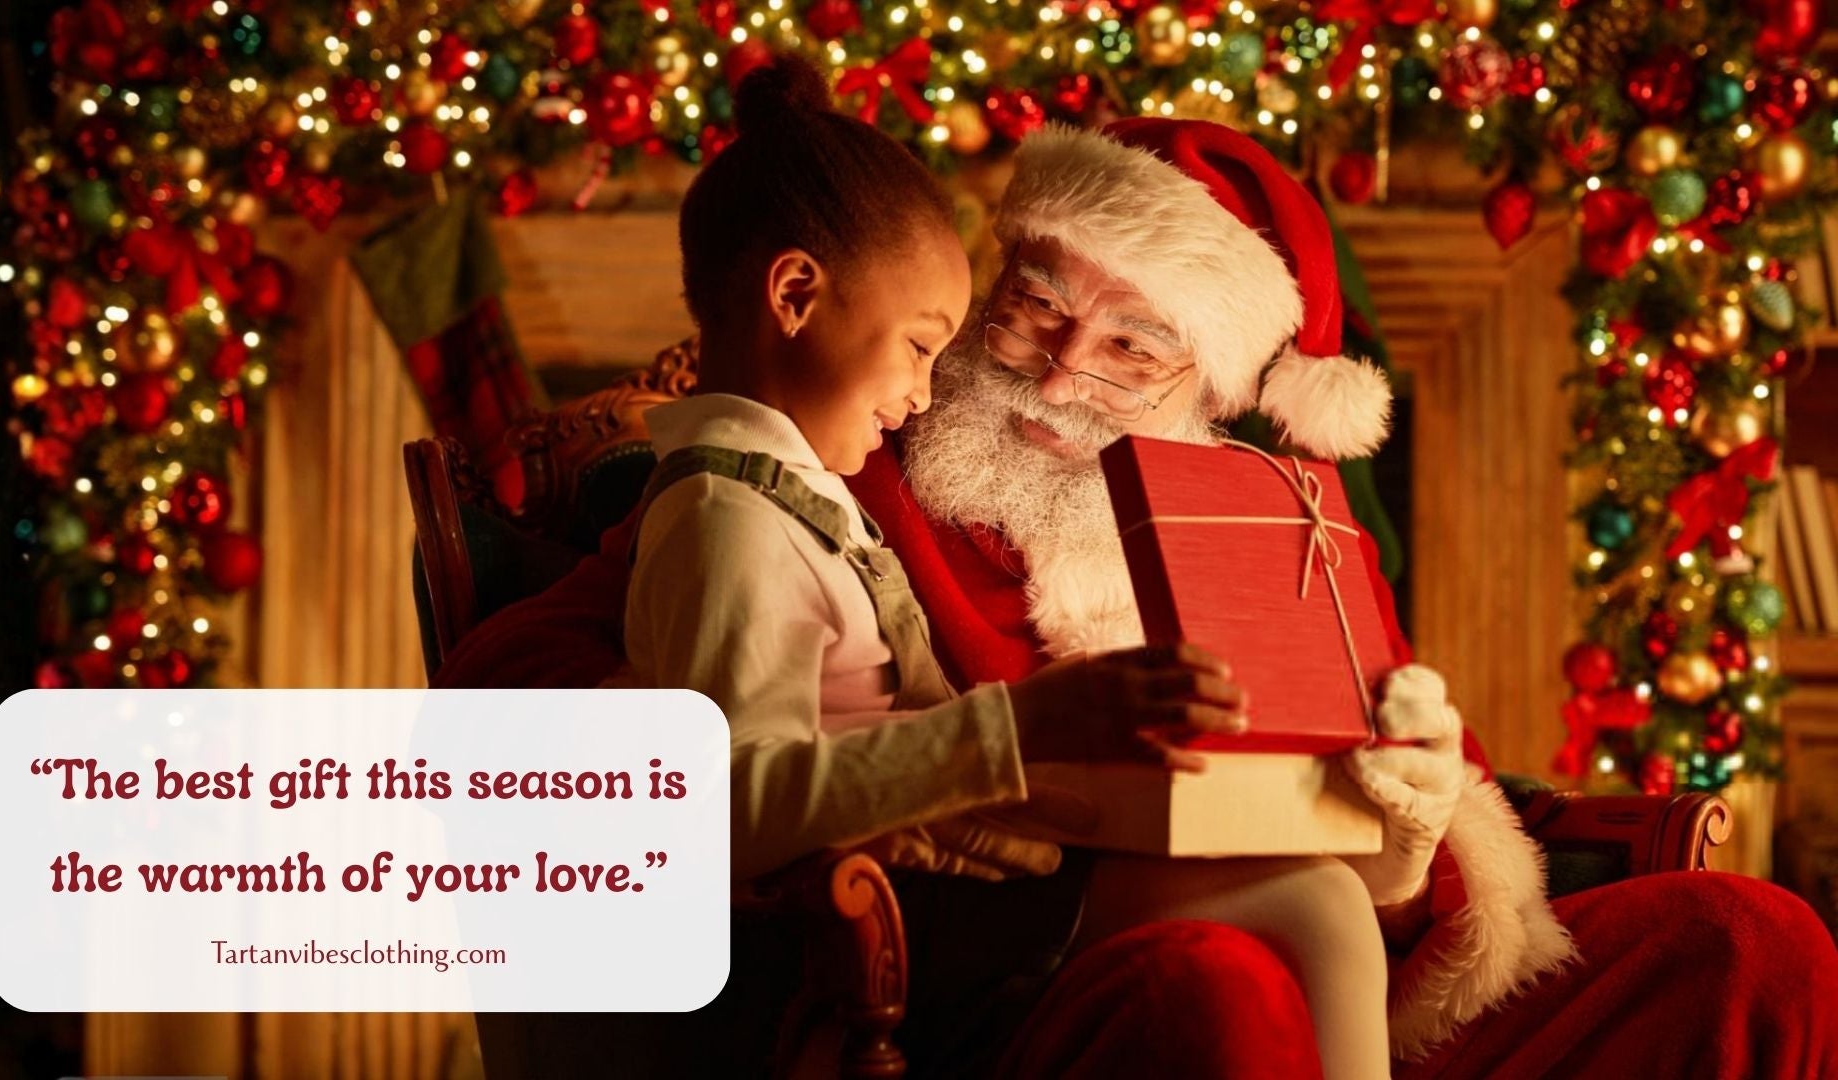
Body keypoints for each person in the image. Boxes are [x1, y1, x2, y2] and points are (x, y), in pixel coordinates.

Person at [438, 116, 1838, 1076]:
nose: (1054, 377)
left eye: (1131, 346)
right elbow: (539, 685)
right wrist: (915, 783)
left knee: (1750, 943)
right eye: (1034, 307)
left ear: (1216, 393)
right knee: (1221, 991)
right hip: (1052, 992)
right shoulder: (849, 466)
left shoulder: (1287, 528)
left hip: (1370, 989)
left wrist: (1409, 822)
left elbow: (1434, 863)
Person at [622, 57, 1400, 1078]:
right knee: (1318, 907)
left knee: (1324, 897)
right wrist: (1021, 731)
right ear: (797, 294)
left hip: (962, 870)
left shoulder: (793, 498)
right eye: (920, 343)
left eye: (1131, 346)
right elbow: (718, 806)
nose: (925, 385)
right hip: (872, 928)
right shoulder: (729, 513)